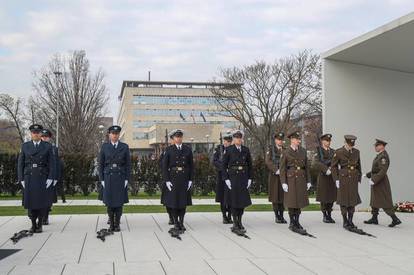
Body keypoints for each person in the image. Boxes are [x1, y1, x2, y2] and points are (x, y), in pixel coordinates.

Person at [17, 124, 55, 233]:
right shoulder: (25, 146)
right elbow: (20, 163)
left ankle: (40, 224)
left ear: (40, 134)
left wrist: (51, 178)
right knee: (31, 203)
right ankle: (33, 224)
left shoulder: (47, 146)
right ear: (31, 133)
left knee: (41, 203)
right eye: (34, 132)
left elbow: (52, 164)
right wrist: (21, 178)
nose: (36, 134)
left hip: (42, 177)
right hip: (29, 177)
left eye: (38, 133)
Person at [98, 125, 131, 232]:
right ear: (109, 134)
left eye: (117, 134)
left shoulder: (124, 147)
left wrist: (127, 178)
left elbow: (128, 164)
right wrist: (102, 179)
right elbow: (100, 164)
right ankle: (111, 224)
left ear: (118, 135)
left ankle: (117, 224)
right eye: (113, 133)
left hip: (120, 177)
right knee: (110, 202)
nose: (115, 135)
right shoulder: (104, 147)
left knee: (119, 202)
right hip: (108, 177)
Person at [162, 129, 193, 237]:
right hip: (173, 178)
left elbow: (191, 166)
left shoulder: (187, 149)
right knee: (174, 202)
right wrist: (167, 180)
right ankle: (176, 223)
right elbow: (164, 166)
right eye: (176, 136)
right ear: (173, 138)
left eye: (180, 136)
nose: (178, 138)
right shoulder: (169, 150)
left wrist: (190, 180)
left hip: (184, 178)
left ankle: (181, 222)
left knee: (183, 203)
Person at [280, 129, 311, 234]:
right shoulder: (286, 152)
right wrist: (283, 182)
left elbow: (306, 167)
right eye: (297, 139)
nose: (299, 141)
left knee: (299, 202)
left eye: (299, 139)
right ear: (292, 140)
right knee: (292, 202)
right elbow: (282, 168)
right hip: (291, 179)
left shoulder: (303, 151)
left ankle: (297, 221)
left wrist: (308, 180)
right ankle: (292, 223)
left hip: (301, 179)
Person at [364, 139, 401, 227]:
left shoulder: (383, 156)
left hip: (381, 182)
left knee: (384, 201)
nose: (375, 147)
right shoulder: (379, 155)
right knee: (374, 200)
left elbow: (383, 170)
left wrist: (374, 180)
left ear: (382, 146)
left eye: (377, 145)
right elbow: (376, 169)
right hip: (377, 181)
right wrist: (367, 175)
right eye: (375, 145)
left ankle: (395, 219)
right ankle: (374, 218)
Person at [222, 130, 253, 236]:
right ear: (233, 139)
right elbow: (223, 165)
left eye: (240, 138)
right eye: (236, 138)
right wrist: (226, 179)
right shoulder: (229, 150)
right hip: (233, 178)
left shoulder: (245, 150)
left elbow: (250, 165)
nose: (238, 140)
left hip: (243, 177)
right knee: (234, 202)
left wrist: (250, 178)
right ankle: (235, 222)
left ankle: (240, 221)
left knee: (242, 202)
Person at [331, 135, 362, 230]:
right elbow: (333, 166)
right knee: (344, 200)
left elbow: (359, 165)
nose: (350, 147)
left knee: (352, 200)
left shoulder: (356, 152)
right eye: (349, 145)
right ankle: (345, 221)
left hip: (353, 178)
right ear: (345, 143)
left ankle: (350, 220)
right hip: (343, 178)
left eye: (352, 145)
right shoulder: (339, 152)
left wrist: (359, 177)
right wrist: (336, 179)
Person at [312, 133, 336, 223]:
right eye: (326, 140)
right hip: (323, 176)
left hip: (331, 177)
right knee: (324, 197)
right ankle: (325, 215)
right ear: (322, 141)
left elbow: (336, 162)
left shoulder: (333, 151)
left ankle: (329, 214)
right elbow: (316, 163)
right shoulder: (318, 151)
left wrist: (332, 168)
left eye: (329, 141)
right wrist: (326, 169)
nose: (328, 142)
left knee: (331, 197)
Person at [265, 132, 287, 224]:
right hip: (274, 176)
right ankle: (276, 216)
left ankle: (281, 215)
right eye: (278, 140)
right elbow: (268, 161)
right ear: (275, 140)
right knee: (275, 196)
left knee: (282, 196)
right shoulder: (271, 149)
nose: (280, 141)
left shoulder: (285, 150)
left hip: (283, 176)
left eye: (281, 140)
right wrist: (276, 170)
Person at [40, 129, 60, 225]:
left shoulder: (53, 148)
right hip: (39, 176)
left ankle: (45, 217)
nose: (44, 138)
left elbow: (56, 164)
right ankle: (38, 216)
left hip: (50, 176)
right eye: (43, 136)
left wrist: (55, 177)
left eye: (46, 137)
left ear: (49, 138)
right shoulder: (37, 147)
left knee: (48, 199)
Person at [213, 131, 233, 224]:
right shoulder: (218, 149)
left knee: (230, 197)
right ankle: (224, 216)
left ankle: (230, 216)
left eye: (228, 141)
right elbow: (215, 161)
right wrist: (224, 168)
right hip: (221, 176)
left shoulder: (233, 149)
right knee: (222, 197)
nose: (226, 143)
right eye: (225, 140)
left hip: (232, 176)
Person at [160, 131, 175, 225]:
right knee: (168, 200)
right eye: (173, 138)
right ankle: (170, 217)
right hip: (168, 177)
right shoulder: (167, 150)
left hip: (177, 177)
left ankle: (176, 217)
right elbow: (161, 164)